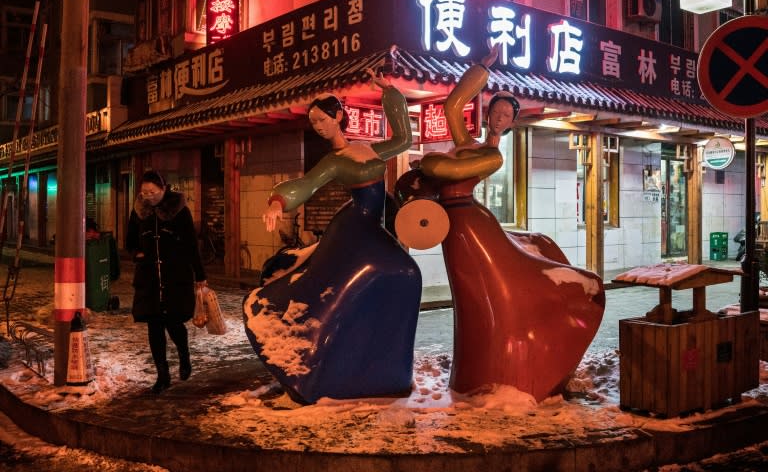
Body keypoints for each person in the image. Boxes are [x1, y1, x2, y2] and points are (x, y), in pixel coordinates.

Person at [400, 46, 606, 402]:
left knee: (494, 294)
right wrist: (481, 68)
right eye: (495, 111)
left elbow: (448, 170)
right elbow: (452, 105)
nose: (499, 117)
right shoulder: (469, 142)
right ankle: (477, 369)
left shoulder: (491, 156)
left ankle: (504, 368)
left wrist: (428, 163)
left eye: (506, 115)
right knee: (474, 299)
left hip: (470, 220)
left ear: (511, 124)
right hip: (460, 224)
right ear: (487, 114)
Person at [243, 69, 421, 404]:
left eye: (322, 119)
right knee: (399, 273)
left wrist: (390, 93)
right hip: (355, 226)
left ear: (338, 116)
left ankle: (383, 365)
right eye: (314, 123)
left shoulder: (369, 149)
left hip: (371, 225)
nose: (318, 126)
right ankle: (324, 363)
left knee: (404, 274)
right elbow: (306, 185)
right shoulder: (333, 161)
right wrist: (278, 202)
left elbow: (403, 140)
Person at [126, 170, 207, 394]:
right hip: (149, 278)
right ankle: (162, 375)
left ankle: (184, 354)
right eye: (144, 193)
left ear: (163, 189)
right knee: (154, 325)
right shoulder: (138, 212)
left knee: (174, 324)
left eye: (152, 192)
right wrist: (137, 254)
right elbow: (129, 241)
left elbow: (192, 245)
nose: (148, 196)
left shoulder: (179, 212)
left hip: (175, 277)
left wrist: (200, 275)